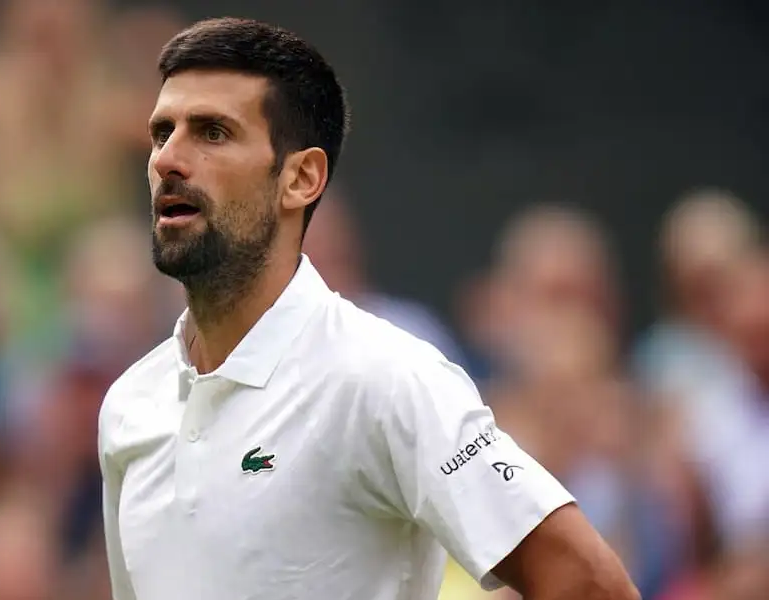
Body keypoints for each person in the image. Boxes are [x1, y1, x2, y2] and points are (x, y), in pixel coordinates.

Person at [98, 17, 639, 600]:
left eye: (212, 133)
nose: (167, 160)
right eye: (162, 133)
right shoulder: (129, 407)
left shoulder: (387, 379)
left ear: (301, 178)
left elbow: (589, 584)